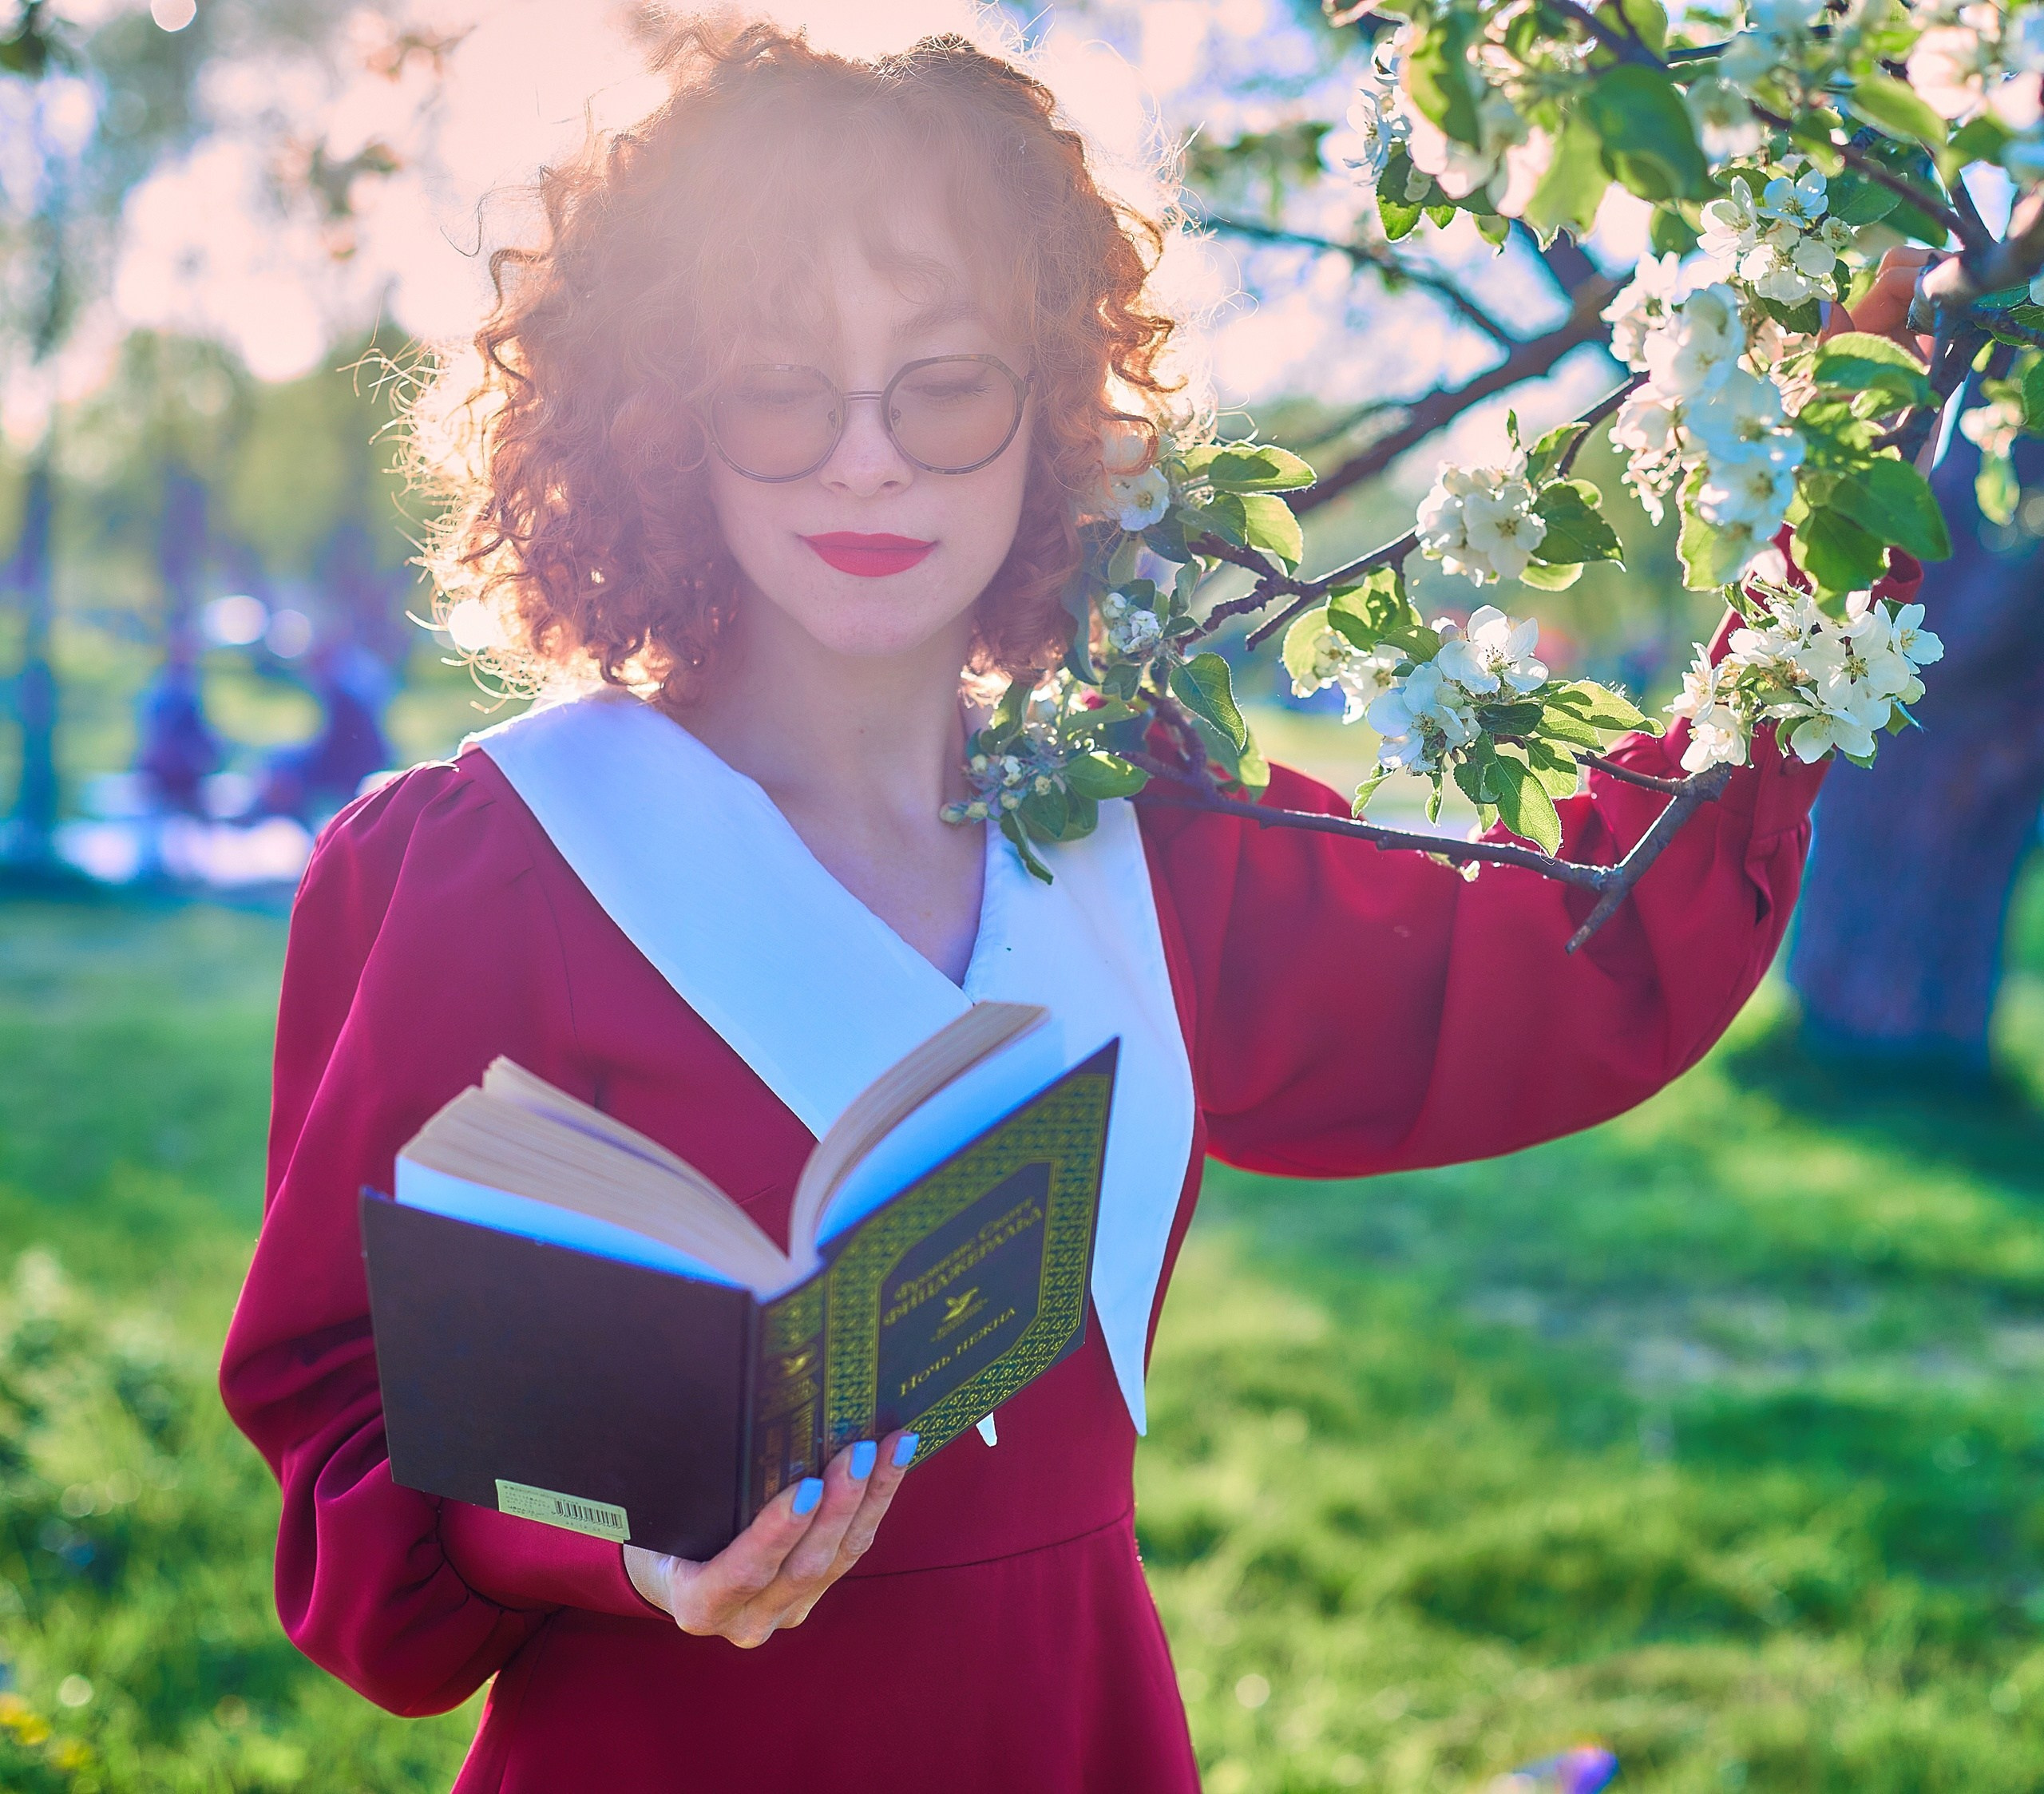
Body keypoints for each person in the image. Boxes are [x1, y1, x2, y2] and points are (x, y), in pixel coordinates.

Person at [219, 20, 1923, 1794]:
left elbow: (1577, 964)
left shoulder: (1139, 826)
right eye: (779, 388)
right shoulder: (494, 858)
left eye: (943, 381)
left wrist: (1828, 514)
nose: (865, 459)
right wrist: (632, 1555)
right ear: (662, 420)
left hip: (1070, 1732)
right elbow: (356, 1428)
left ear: (1050, 404)